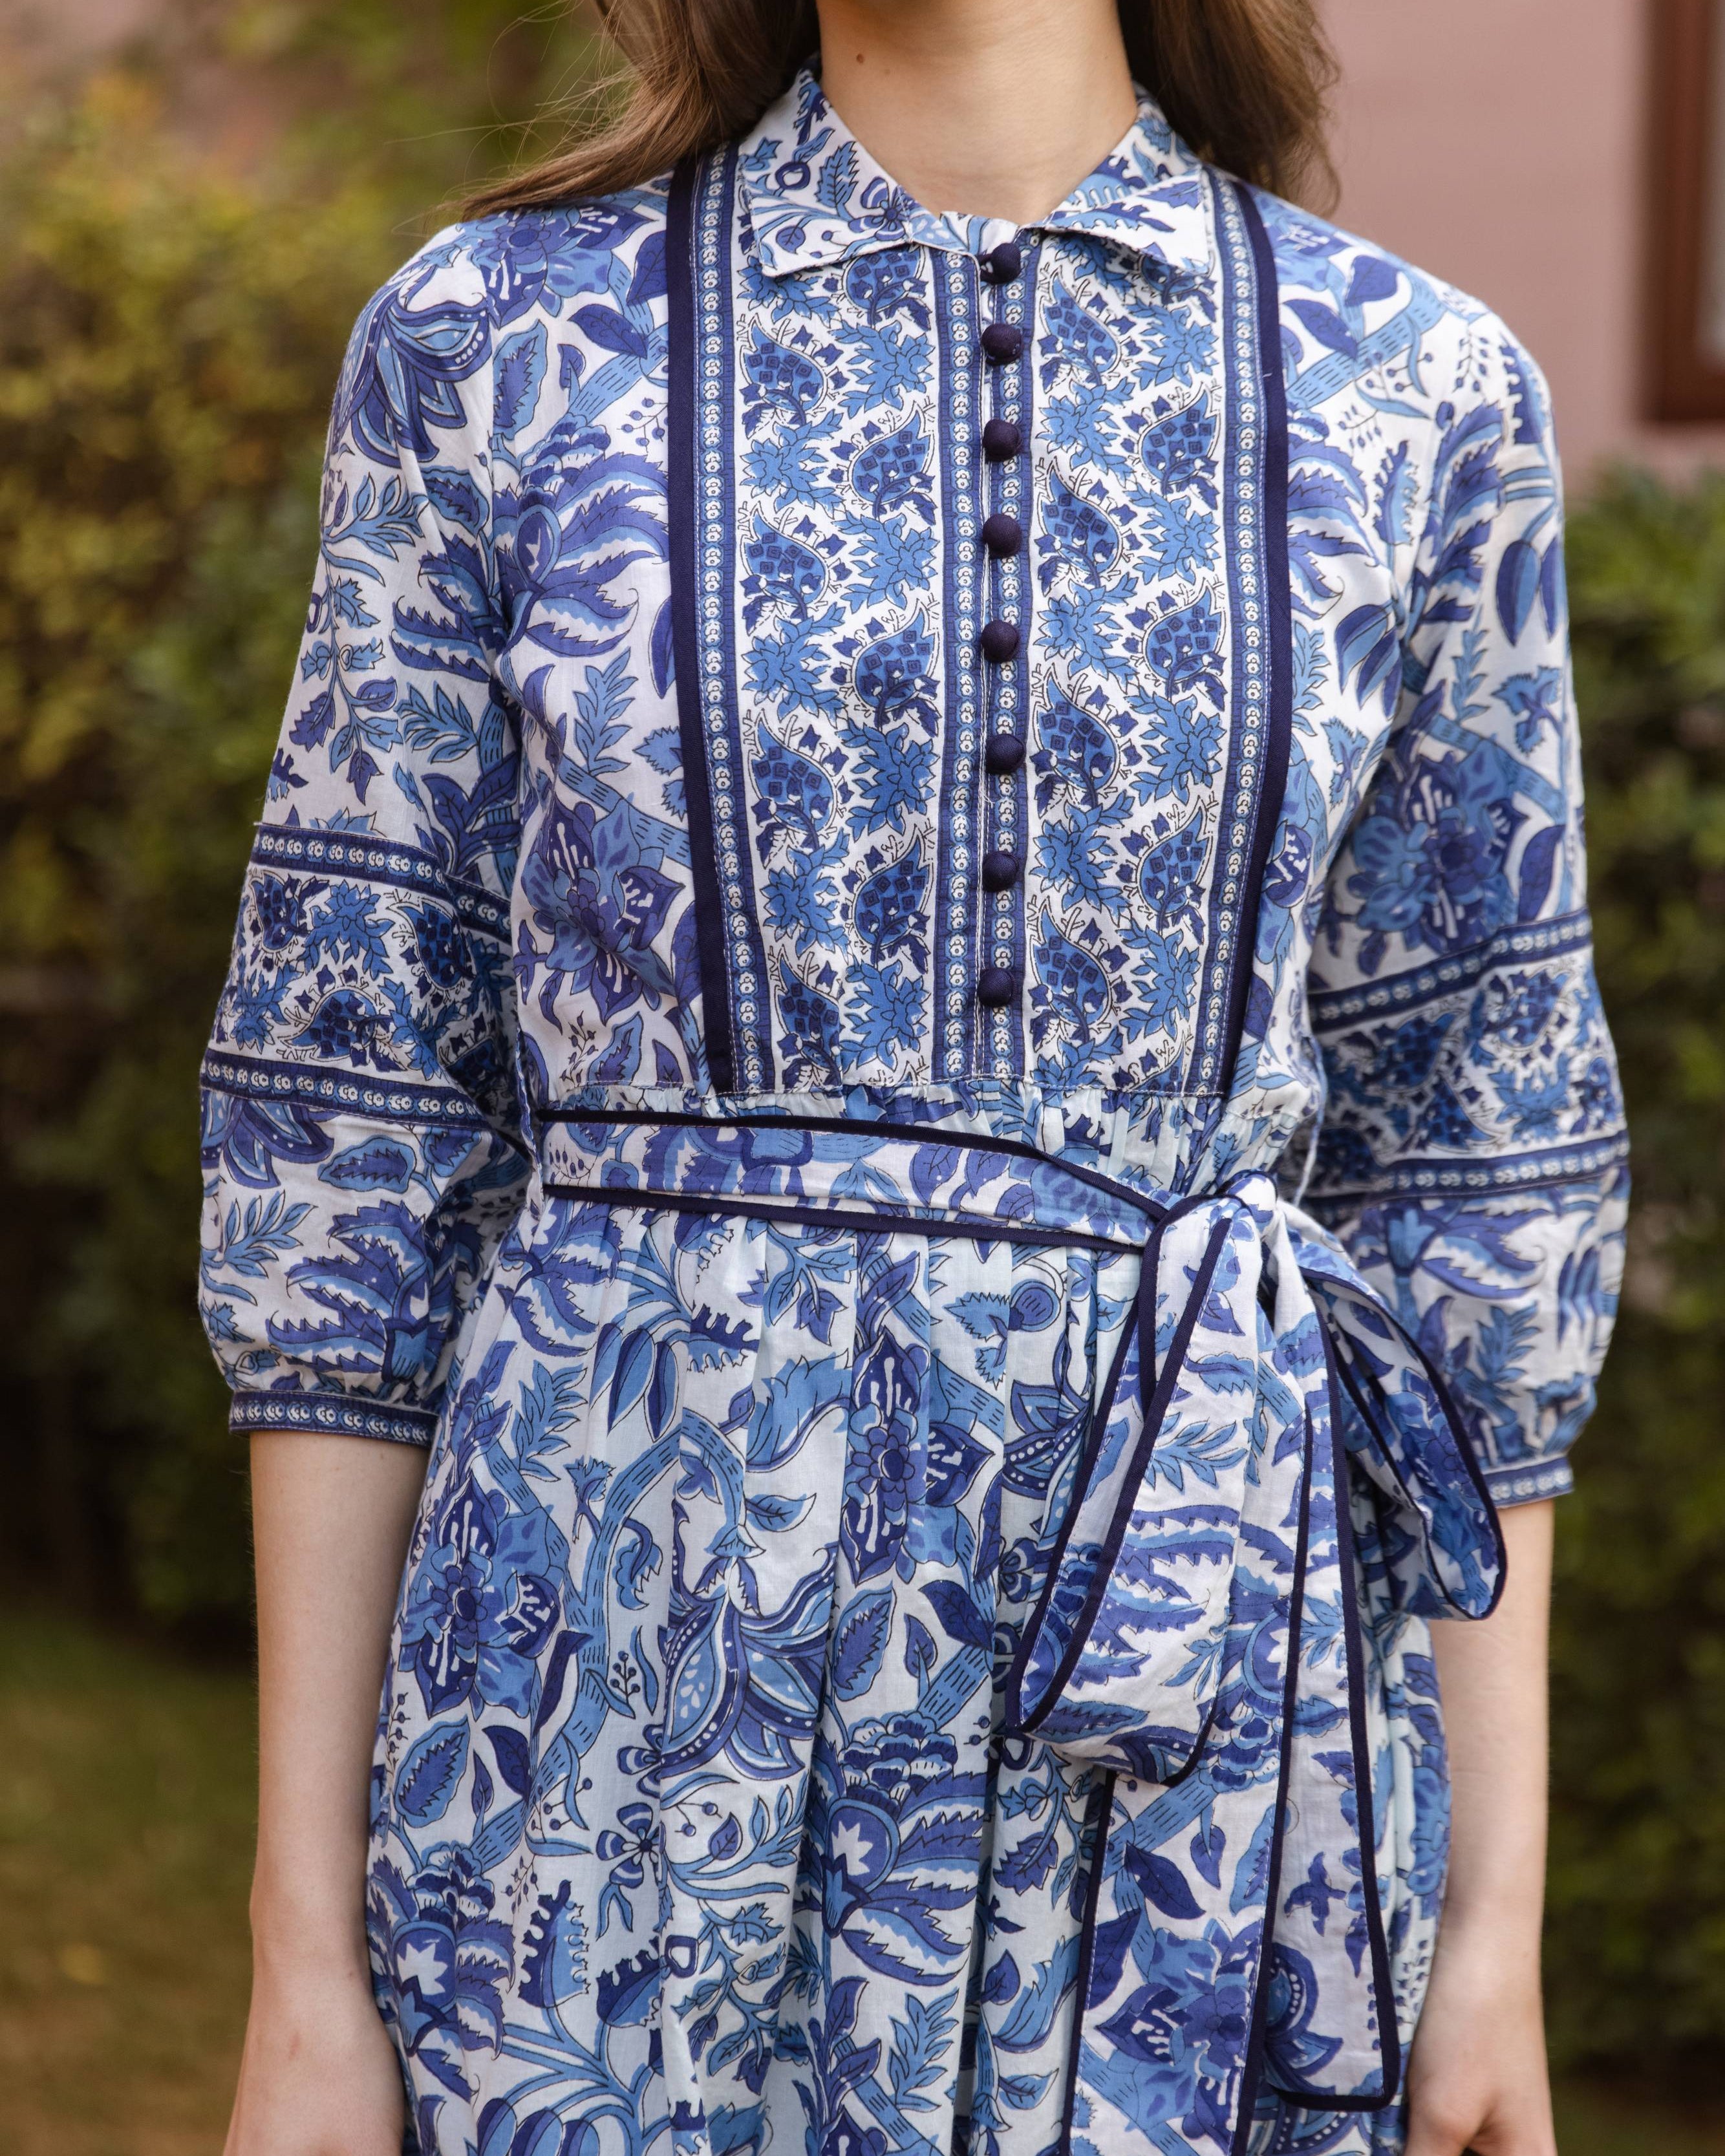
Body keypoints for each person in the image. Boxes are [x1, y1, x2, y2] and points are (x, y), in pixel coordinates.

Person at [198, 2, 1629, 2151]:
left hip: (1193, 1755)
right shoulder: (495, 342)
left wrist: (1490, 1934)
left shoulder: (1414, 392)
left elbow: (1481, 1177)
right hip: (610, 1712)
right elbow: (348, 1131)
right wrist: (301, 1959)